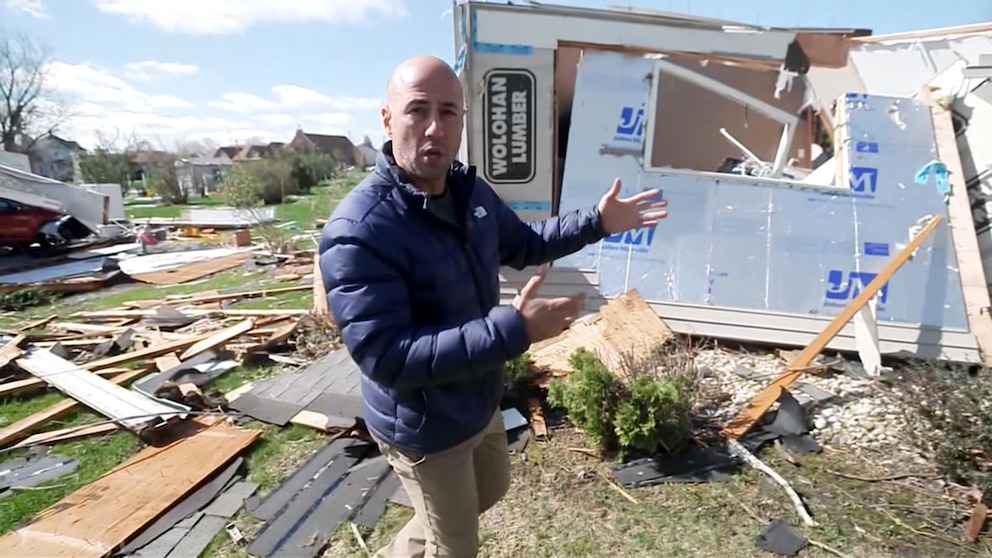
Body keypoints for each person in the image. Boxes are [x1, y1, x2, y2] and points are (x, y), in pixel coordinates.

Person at [317, 55, 668, 558]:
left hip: (477, 399)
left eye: (448, 112)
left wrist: (596, 222)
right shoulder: (359, 230)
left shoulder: (469, 194)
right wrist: (513, 330)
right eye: (418, 110)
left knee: (490, 489)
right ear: (388, 120)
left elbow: (525, 244)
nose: (434, 127)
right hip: (424, 423)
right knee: (456, 547)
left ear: (462, 121)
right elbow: (387, 357)